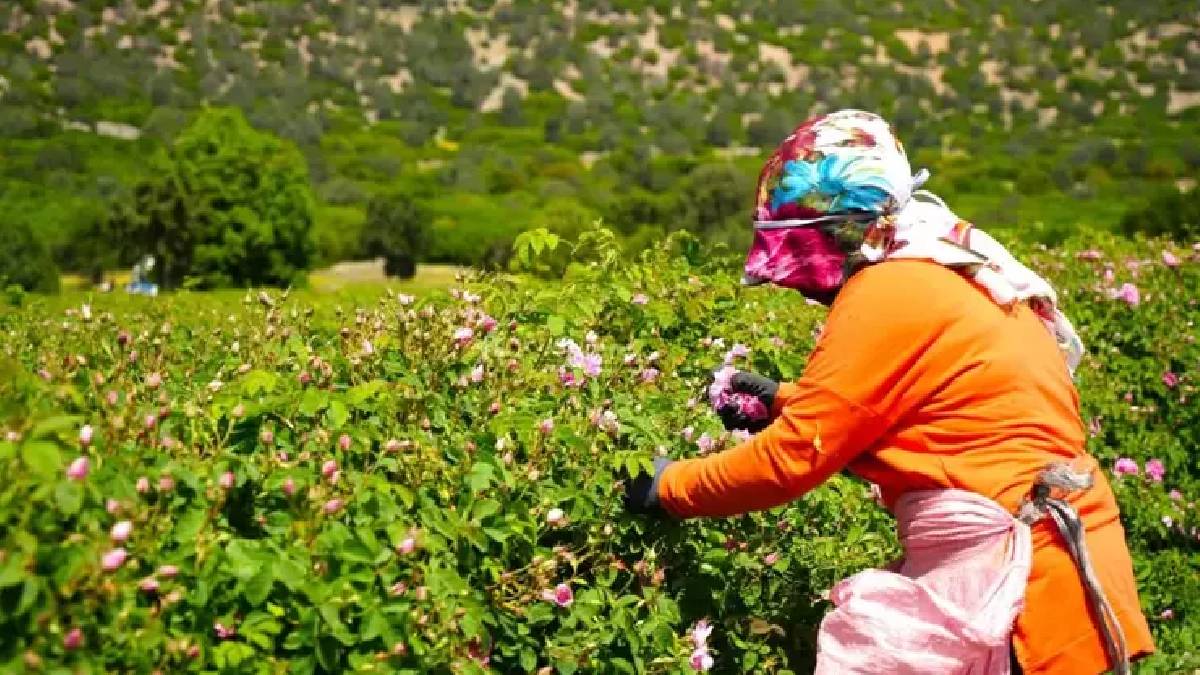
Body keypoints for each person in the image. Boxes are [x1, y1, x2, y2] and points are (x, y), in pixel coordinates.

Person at [624, 110, 1154, 674]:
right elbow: (944, 415)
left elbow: (793, 459)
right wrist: (783, 400)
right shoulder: (951, 267)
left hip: (1023, 589)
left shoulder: (890, 288)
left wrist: (667, 487)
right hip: (1067, 566)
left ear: (835, 231)